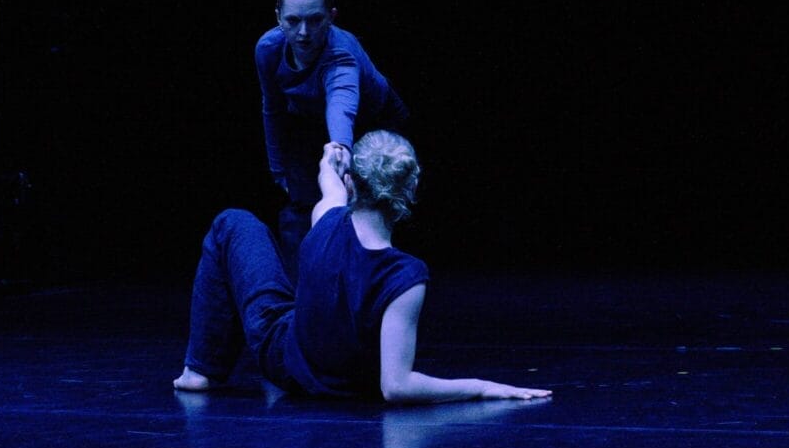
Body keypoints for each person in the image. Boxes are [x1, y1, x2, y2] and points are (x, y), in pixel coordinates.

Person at [174, 131, 552, 403]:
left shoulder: (327, 216)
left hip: (284, 360)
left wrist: (331, 157)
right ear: (409, 193)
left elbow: (330, 186)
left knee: (232, 222)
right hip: (338, 383)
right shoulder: (405, 277)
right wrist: (482, 385)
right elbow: (396, 385)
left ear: (352, 183)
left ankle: (200, 372)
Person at [255, 0, 409, 280]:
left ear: (332, 17)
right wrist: (278, 167)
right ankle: (302, 299)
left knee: (370, 201)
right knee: (299, 206)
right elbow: (272, 108)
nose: (303, 32)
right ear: (277, 17)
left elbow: (342, 105)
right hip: (309, 119)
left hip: (373, 119)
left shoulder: (341, 56)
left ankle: (370, 287)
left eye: (314, 20)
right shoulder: (268, 50)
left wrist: (339, 149)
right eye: (292, 20)